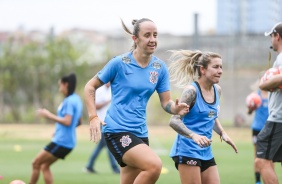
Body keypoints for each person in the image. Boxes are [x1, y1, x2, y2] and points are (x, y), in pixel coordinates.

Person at [84, 18, 189, 184]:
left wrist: (174, 109)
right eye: (147, 35)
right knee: (154, 166)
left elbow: (166, 102)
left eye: (155, 35)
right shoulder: (119, 63)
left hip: (140, 133)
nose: (153, 39)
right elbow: (90, 87)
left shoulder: (159, 68)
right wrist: (93, 117)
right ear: (135, 39)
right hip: (117, 130)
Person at [167, 50, 238, 184]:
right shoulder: (191, 91)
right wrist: (194, 136)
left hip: (205, 152)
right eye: (216, 67)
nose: (220, 71)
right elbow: (174, 121)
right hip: (187, 150)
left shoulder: (217, 90)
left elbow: (211, 116)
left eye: (221, 67)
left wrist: (222, 133)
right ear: (203, 69)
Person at [29, 73, 83, 184]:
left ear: (66, 84)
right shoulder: (76, 99)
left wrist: (48, 114)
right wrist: (59, 130)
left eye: (60, 86)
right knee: (44, 166)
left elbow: (68, 122)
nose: (60, 89)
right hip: (68, 141)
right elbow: (79, 122)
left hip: (61, 142)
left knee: (35, 163)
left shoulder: (69, 101)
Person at [255, 22, 282, 184]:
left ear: (277, 36)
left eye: (271, 36)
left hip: (278, 119)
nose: (271, 40)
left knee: (261, 161)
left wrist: (265, 83)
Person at [84, 82, 120, 174]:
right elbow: (96, 106)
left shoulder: (112, 90)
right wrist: (108, 101)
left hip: (110, 122)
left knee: (101, 146)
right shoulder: (99, 91)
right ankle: (114, 167)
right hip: (102, 122)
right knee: (109, 145)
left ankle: (89, 166)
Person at [247, 80, 274, 184]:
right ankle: (257, 181)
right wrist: (250, 108)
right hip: (257, 129)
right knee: (257, 155)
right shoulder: (255, 96)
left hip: (270, 128)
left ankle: (269, 177)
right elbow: (248, 112)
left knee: (270, 156)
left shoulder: (273, 95)